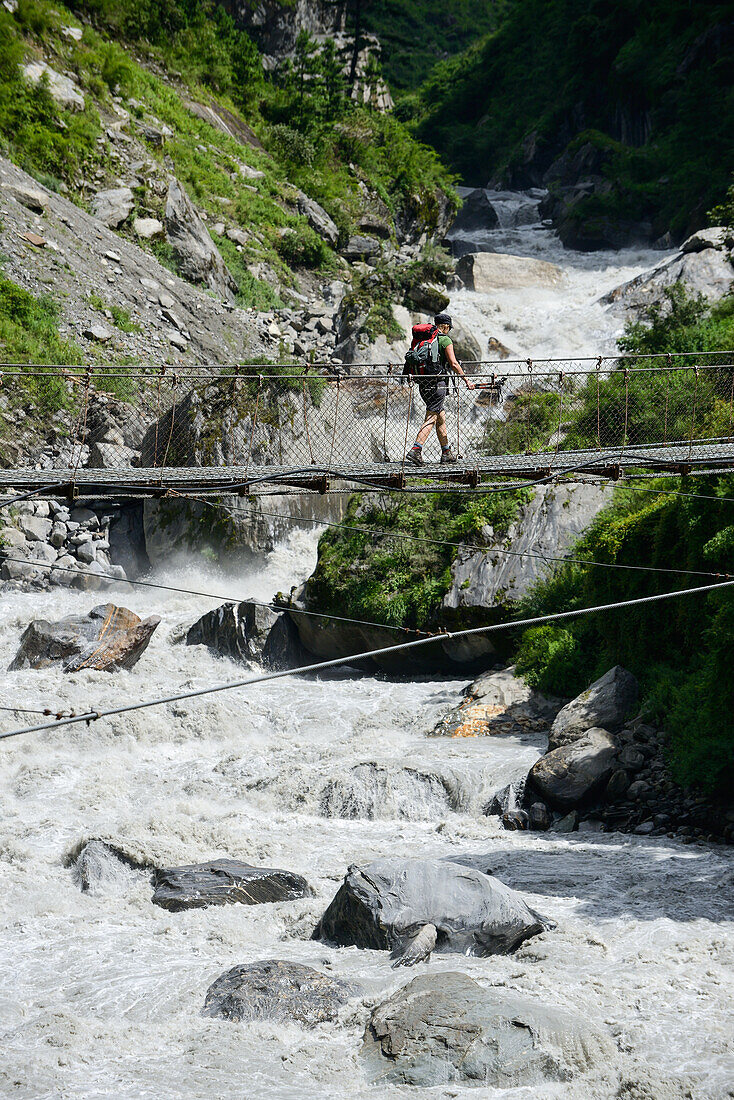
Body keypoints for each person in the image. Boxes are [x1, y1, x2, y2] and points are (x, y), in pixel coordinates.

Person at [406, 312, 475, 465]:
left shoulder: (422, 339)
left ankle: (446, 452)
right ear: (445, 326)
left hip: (422, 383)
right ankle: (416, 450)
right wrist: (467, 381)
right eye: (449, 327)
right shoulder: (444, 339)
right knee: (432, 417)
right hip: (437, 384)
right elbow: (454, 364)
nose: (449, 330)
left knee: (440, 416)